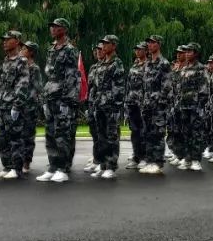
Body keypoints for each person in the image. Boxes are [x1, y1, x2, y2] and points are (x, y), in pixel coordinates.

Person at [36, 18, 80, 183]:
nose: (52, 29)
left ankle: (63, 168)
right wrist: (45, 100)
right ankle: (53, 166)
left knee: (63, 134)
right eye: (52, 27)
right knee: (50, 133)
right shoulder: (51, 49)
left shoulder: (69, 50)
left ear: (64, 29)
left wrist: (67, 101)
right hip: (51, 95)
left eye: (56, 27)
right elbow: (49, 75)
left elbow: (72, 77)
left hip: (62, 96)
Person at [0, 31, 32, 180]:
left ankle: (16, 169)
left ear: (16, 41)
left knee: (15, 138)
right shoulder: (6, 61)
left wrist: (17, 105)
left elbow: (23, 85)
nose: (4, 42)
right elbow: (0, 85)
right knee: (2, 138)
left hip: (13, 105)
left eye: (8, 40)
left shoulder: (21, 61)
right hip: (3, 105)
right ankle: (7, 166)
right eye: (4, 40)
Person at [87, 35, 126, 179]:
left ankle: (111, 166)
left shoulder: (117, 63)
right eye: (102, 43)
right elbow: (95, 87)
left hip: (110, 106)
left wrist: (116, 108)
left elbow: (119, 87)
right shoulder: (102, 64)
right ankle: (102, 164)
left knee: (112, 136)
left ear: (114, 46)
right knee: (101, 136)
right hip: (99, 105)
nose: (103, 46)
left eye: (107, 43)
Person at [139, 34, 172, 175]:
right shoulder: (147, 63)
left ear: (159, 44)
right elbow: (144, 85)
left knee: (157, 133)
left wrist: (159, 102)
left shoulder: (164, 63)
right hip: (147, 105)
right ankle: (150, 159)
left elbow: (166, 86)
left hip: (158, 106)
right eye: (148, 43)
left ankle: (157, 162)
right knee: (148, 133)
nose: (149, 45)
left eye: (152, 43)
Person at [176, 43, 208, 171]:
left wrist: (200, 105)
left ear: (196, 53)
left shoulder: (201, 68)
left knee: (196, 133)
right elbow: (180, 88)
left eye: (190, 51)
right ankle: (187, 157)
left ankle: (196, 159)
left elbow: (204, 89)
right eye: (186, 51)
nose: (187, 53)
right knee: (185, 133)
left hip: (195, 107)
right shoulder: (183, 69)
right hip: (184, 106)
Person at [123, 42, 147, 170]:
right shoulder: (134, 65)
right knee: (134, 131)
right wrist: (126, 101)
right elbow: (129, 85)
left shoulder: (149, 65)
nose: (137, 51)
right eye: (136, 49)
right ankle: (136, 156)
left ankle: (144, 157)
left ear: (146, 51)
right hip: (132, 102)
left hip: (143, 103)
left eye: (140, 49)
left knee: (143, 131)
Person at [21, 41, 43, 173]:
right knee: (17, 135)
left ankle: (26, 162)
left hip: (29, 106)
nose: (21, 50)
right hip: (19, 106)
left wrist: (29, 101)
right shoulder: (20, 66)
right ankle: (17, 161)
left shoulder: (34, 68)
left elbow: (37, 87)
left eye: (25, 49)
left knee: (28, 135)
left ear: (31, 52)